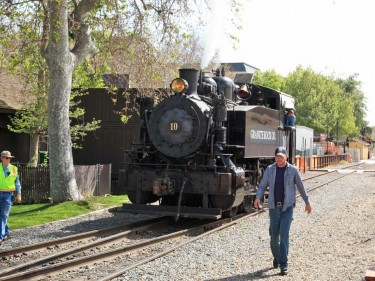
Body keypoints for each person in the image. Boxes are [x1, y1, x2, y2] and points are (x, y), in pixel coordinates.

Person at [253, 146, 312, 275]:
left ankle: (283, 264)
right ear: (275, 157)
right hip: (274, 207)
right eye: (277, 156)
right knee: (274, 236)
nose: (279, 159)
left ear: (286, 157)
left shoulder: (293, 170)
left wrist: (307, 202)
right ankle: (277, 256)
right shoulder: (270, 169)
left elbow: (301, 187)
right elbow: (263, 185)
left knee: (284, 235)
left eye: (281, 156)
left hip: (287, 207)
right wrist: (258, 197)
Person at [0, 150, 22, 244]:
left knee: (4, 215)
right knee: (2, 216)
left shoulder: (14, 168)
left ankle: (0, 236)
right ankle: (7, 233)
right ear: (1, 158)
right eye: (6, 157)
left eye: (10, 158)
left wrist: (19, 194)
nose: (8, 159)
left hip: (8, 196)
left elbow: (17, 183)